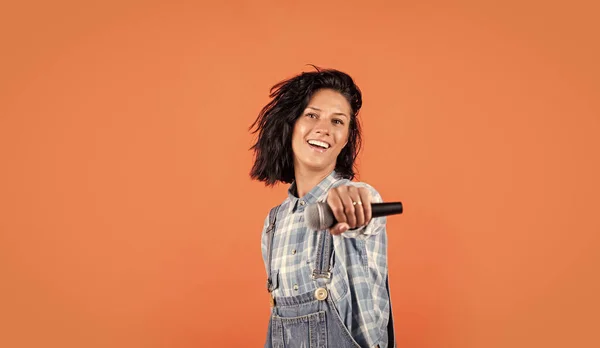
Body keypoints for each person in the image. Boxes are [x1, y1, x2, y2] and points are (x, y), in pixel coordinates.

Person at [250, 67, 395, 348]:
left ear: (346, 139)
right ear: (290, 124)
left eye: (338, 121)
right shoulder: (274, 223)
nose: (324, 129)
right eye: (312, 115)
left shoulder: (356, 196)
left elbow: (364, 207)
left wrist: (352, 204)